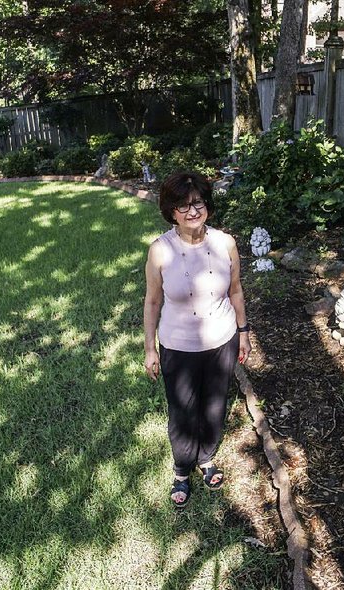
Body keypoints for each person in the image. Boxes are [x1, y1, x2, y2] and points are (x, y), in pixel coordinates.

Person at [143, 171, 251, 508]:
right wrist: (150, 348)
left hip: (222, 339)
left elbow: (235, 290)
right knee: (182, 410)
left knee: (215, 403)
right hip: (178, 345)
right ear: (171, 211)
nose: (192, 212)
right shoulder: (161, 250)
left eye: (198, 203)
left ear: (207, 205)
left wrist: (244, 333)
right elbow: (152, 301)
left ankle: (206, 457)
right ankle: (182, 468)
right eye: (183, 206)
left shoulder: (225, 244)